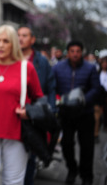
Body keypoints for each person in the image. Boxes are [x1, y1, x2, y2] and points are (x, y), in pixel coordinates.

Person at [0, 25, 43, 185]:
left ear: (14, 44)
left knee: (13, 181)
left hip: (16, 131)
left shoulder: (26, 67)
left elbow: (39, 98)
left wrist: (29, 112)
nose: (1, 45)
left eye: (6, 41)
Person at [52, 41, 100, 185]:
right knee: (66, 144)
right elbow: (52, 87)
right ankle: (72, 170)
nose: (75, 54)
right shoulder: (57, 68)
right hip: (66, 113)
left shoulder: (90, 68)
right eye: (72, 51)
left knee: (87, 146)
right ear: (67, 52)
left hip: (85, 113)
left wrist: (83, 100)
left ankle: (87, 176)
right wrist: (59, 100)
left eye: (77, 51)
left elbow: (96, 88)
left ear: (81, 52)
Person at [17, 25, 57, 185]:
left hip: (34, 115)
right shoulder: (10, 57)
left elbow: (50, 87)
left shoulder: (42, 61)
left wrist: (50, 112)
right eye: (18, 35)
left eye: (24, 35)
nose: (20, 38)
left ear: (32, 39)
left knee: (31, 154)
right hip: (16, 114)